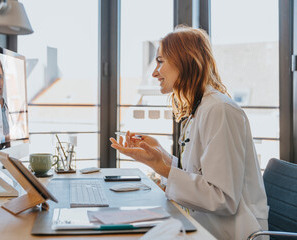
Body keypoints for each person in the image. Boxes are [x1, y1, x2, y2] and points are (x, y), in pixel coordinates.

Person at [110, 26, 269, 240]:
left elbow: (222, 198)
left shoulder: (219, 110)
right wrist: (161, 156)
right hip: (203, 225)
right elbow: (200, 175)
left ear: (184, 61)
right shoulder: (200, 108)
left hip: (230, 233)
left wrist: (163, 169)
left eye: (160, 61)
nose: (155, 72)